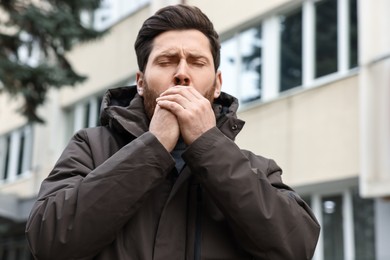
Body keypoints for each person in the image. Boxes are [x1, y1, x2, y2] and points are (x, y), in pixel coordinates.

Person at [26, 4, 320, 260]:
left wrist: (209, 145)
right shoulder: (91, 148)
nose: (182, 73)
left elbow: (296, 246)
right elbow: (48, 243)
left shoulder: (258, 169)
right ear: (140, 82)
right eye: (166, 61)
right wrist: (153, 147)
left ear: (217, 84)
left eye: (197, 62)